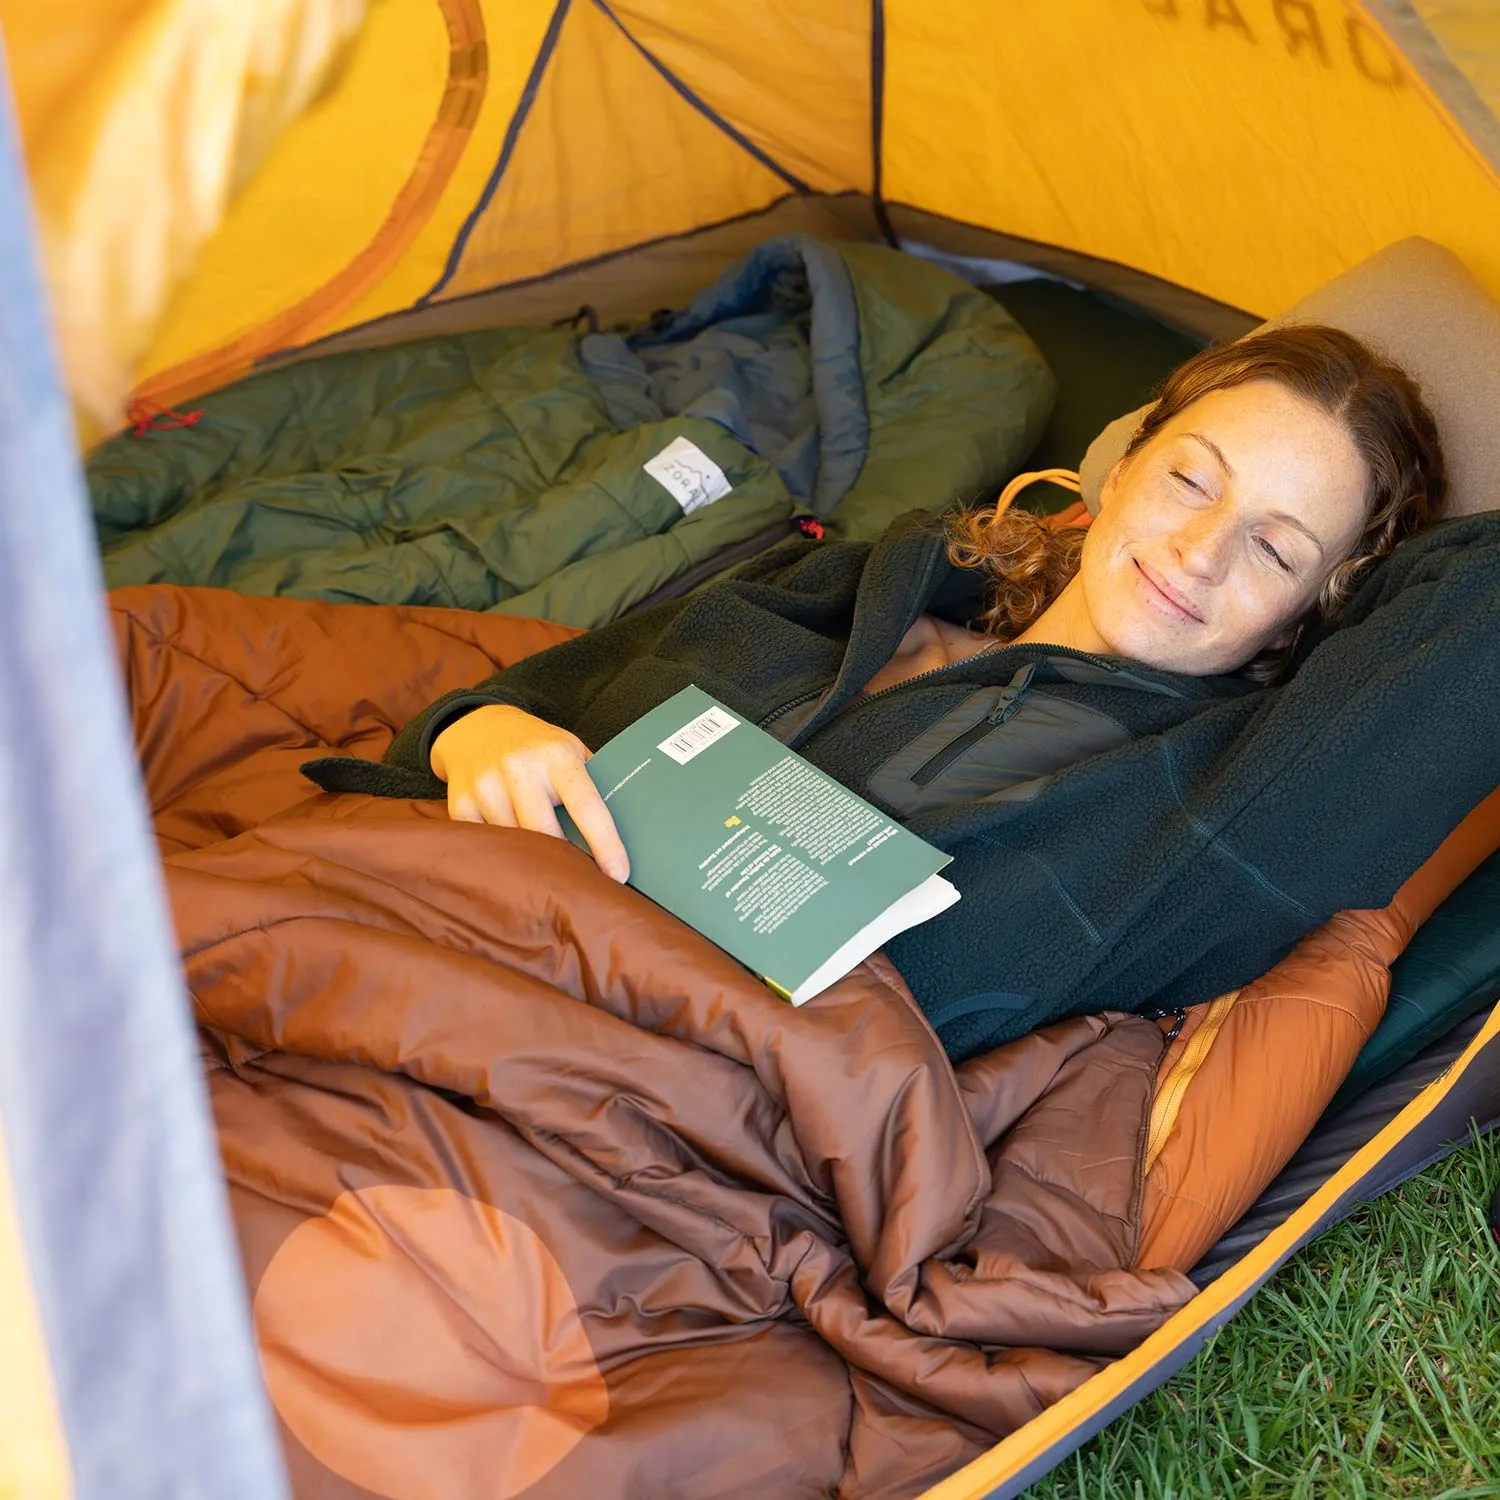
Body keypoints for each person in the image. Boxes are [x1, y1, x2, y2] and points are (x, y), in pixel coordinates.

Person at [306, 324, 1500, 1062]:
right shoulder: (863, 580)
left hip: (616, 1080)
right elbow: (513, 703)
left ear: (1312, 616)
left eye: (1278, 552)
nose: (1200, 554)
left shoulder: (1190, 806)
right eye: (1193, 479)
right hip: (441, 925)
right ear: (1123, 462)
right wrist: (488, 732)